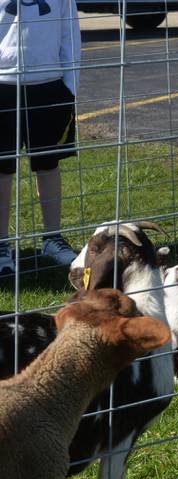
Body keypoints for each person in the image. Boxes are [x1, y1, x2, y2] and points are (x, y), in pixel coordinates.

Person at [0, 0, 81, 275]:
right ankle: (1, 245)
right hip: (3, 85)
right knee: (2, 168)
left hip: (49, 85)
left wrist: (69, 87)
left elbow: (69, 32)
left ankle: (52, 238)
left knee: (48, 164)